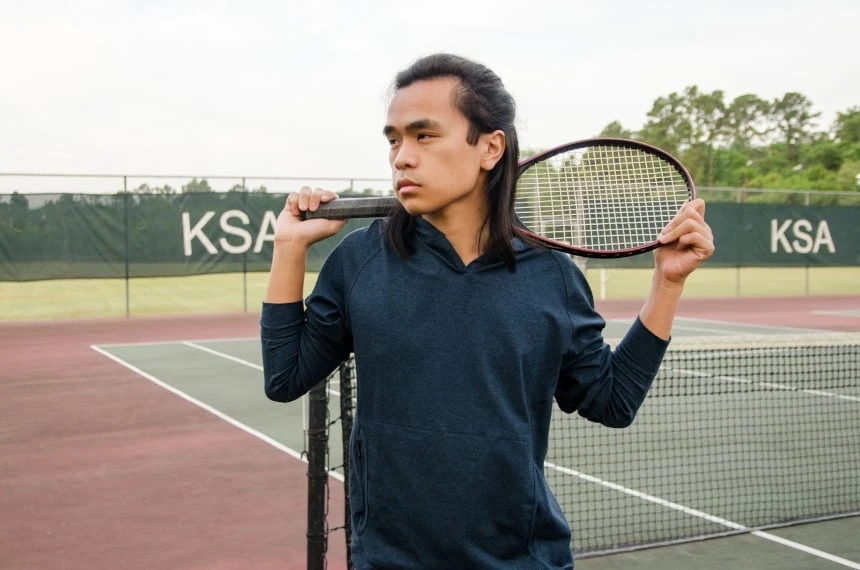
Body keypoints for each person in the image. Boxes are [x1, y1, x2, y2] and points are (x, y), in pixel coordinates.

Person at [261, 53, 714, 569]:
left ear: (490, 148)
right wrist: (289, 249)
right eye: (393, 139)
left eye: (424, 135)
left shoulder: (553, 279)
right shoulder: (359, 263)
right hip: (390, 561)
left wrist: (668, 282)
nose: (402, 157)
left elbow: (611, 402)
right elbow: (284, 375)